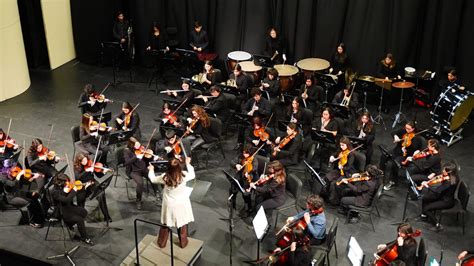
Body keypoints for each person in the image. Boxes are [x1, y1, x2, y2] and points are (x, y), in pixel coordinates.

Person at [149, 157, 195, 248]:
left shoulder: (164, 177)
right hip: (181, 203)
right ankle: (183, 243)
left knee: (166, 222)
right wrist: (188, 163)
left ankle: (162, 243)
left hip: (169, 204)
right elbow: (192, 175)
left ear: (168, 168)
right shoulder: (184, 175)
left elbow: (153, 179)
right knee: (182, 222)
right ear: (179, 167)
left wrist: (151, 170)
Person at [51, 173, 94, 245]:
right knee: (80, 220)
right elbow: (66, 199)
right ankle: (85, 238)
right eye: (67, 182)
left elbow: (72, 192)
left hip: (69, 206)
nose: (68, 183)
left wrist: (84, 187)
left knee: (84, 212)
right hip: (62, 211)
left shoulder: (65, 186)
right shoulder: (54, 191)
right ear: (60, 182)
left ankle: (70, 224)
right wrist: (73, 190)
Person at [0, 159, 44, 228]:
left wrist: (33, 176)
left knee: (35, 197)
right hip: (12, 197)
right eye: (13, 167)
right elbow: (12, 184)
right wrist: (19, 175)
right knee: (31, 202)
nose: (15, 168)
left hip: (19, 192)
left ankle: (41, 217)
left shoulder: (14, 171)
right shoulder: (2, 177)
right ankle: (33, 221)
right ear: (8, 168)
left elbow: (24, 181)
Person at [380, 121, 423, 191]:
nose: (406, 130)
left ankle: (392, 181)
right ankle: (382, 171)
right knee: (384, 155)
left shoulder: (417, 138)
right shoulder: (404, 130)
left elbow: (416, 149)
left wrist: (406, 149)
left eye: (408, 129)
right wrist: (395, 136)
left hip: (406, 155)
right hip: (397, 150)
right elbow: (393, 132)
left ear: (413, 129)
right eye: (406, 128)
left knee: (392, 164)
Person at [73, 152, 112, 222]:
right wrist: (86, 171)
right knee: (80, 199)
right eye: (83, 161)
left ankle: (106, 216)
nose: (85, 162)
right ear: (79, 161)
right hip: (82, 185)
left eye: (86, 160)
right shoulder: (76, 166)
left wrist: (103, 172)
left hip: (91, 182)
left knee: (101, 194)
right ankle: (81, 216)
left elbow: (98, 175)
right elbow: (77, 177)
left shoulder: (89, 163)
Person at [420, 161, 459, 231]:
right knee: (425, 198)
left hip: (446, 201)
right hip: (443, 196)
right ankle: (424, 216)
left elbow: (437, 191)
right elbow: (441, 180)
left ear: (449, 172)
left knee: (427, 208)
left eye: (444, 170)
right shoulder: (453, 176)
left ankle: (438, 225)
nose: (442, 171)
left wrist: (427, 185)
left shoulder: (449, 182)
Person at [123, 137, 150, 210]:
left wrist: (152, 156)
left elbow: (147, 157)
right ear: (132, 145)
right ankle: (138, 200)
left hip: (143, 168)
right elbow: (126, 163)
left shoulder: (140, 148)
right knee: (140, 183)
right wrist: (135, 157)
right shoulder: (127, 151)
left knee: (152, 176)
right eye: (136, 145)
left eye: (139, 144)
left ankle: (157, 193)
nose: (139, 147)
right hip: (134, 171)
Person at [232, 144, 258, 217]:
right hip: (240, 176)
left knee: (246, 194)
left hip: (250, 178)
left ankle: (249, 207)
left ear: (250, 153)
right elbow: (232, 162)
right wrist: (236, 165)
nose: (244, 155)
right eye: (243, 153)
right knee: (232, 189)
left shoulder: (254, 159)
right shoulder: (241, 156)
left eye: (246, 153)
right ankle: (232, 204)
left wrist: (249, 171)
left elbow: (255, 168)